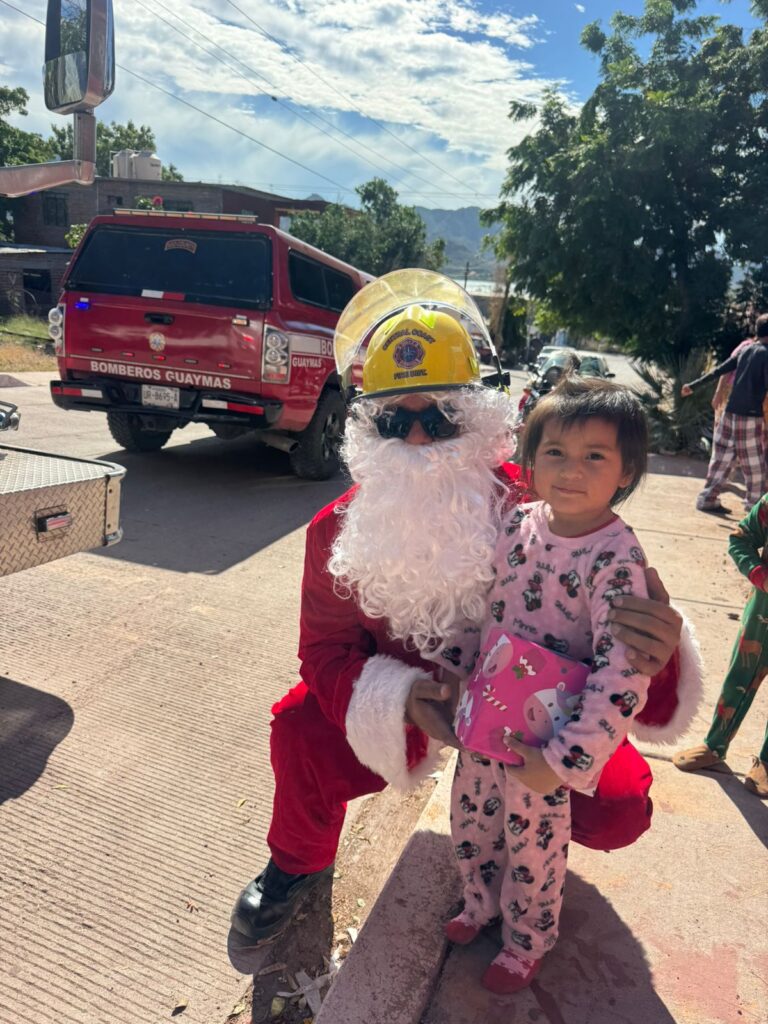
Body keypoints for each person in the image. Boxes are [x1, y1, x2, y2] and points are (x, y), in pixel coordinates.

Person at [230, 273, 696, 951]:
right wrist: (410, 699)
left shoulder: (536, 509)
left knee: (620, 807)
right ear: (368, 428)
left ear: (476, 416)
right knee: (300, 730)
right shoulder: (335, 533)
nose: (418, 441)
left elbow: (617, 628)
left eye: (440, 418)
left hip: (539, 711)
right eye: (395, 420)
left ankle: (526, 842)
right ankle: (298, 862)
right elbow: (325, 655)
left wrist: (661, 644)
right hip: (417, 707)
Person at [430, 377, 662, 993]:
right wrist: (453, 668)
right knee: (471, 818)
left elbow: (623, 671)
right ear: (530, 460)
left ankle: (527, 939)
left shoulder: (616, 558)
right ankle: (478, 903)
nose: (571, 470)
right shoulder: (516, 525)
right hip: (486, 715)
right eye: (555, 452)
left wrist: (562, 761)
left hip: (546, 738)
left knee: (534, 844)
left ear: (626, 470)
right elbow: (482, 605)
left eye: (595, 456)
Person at [673, 494, 768, 798]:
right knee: (739, 676)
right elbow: (740, 539)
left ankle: (766, 762)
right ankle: (715, 744)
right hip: (762, 612)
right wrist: (761, 576)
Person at [681, 314, 768, 514]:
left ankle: (707, 499)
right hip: (750, 416)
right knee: (754, 466)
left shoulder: (746, 349)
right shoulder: (766, 354)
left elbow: (721, 369)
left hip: (730, 413)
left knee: (721, 459)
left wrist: (692, 386)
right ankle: (755, 510)